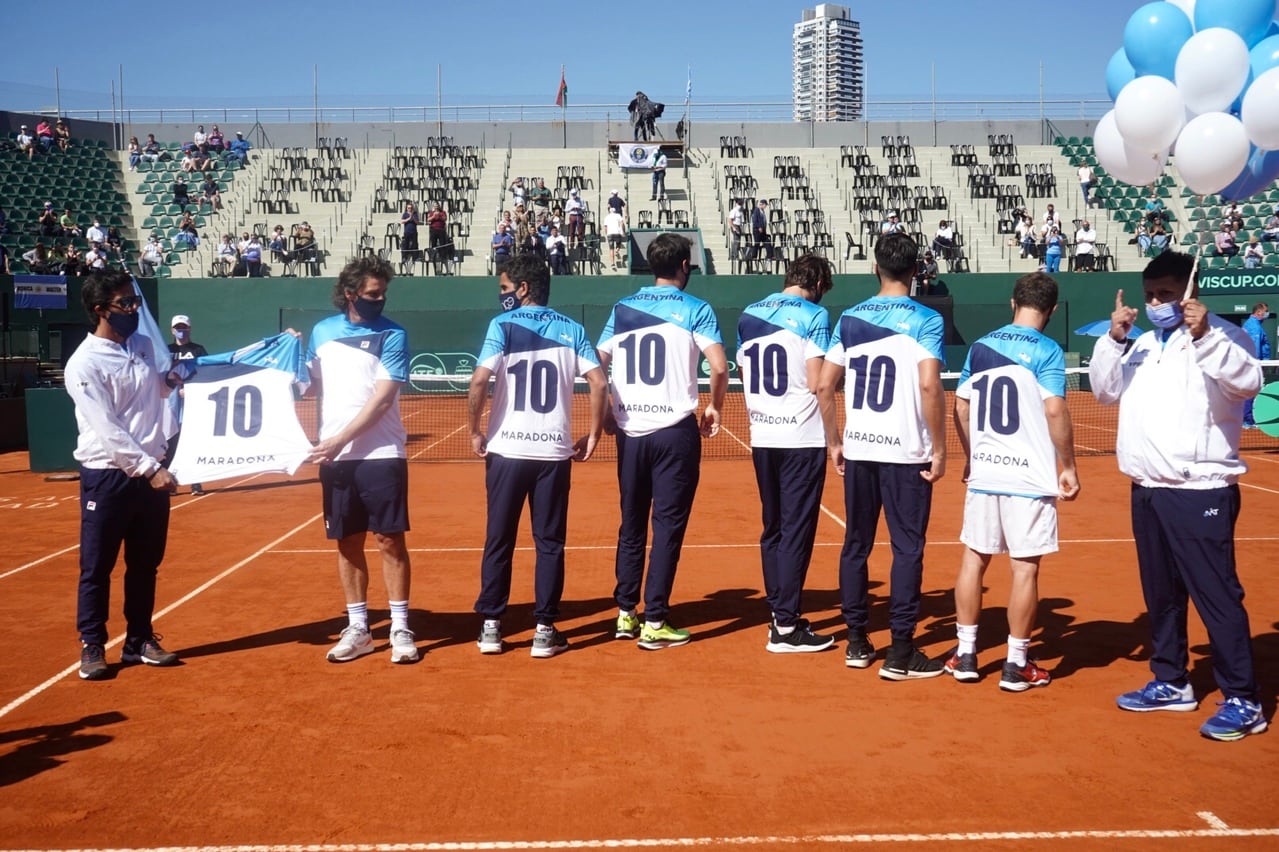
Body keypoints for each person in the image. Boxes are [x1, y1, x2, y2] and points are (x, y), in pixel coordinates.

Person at [1090, 251, 1266, 741]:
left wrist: (1206, 335)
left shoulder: (1225, 336)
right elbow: (1104, 391)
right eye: (1150, 295)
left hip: (1199, 489)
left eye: (1165, 294)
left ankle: (1243, 697)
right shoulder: (1143, 342)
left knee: (1216, 595)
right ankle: (1171, 680)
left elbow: (1249, 382)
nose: (1155, 303)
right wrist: (1113, 338)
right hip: (1147, 489)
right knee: (1161, 596)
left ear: (1189, 292)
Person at [816, 232, 947, 680]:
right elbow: (930, 385)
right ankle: (901, 650)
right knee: (907, 548)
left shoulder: (850, 318)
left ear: (877, 268)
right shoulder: (926, 318)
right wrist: (941, 446)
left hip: (860, 449)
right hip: (906, 451)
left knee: (856, 544)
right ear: (916, 272)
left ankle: (856, 640)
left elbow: (824, 386)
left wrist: (835, 441)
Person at [467, 255, 608, 657]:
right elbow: (598, 384)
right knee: (549, 543)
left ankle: (491, 627)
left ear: (524, 288)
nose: (501, 297)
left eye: (505, 289)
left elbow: (480, 380)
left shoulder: (502, 326)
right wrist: (595, 433)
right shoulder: (574, 329)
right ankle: (545, 630)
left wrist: (476, 430)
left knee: (499, 539)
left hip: (507, 451)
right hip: (552, 453)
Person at [947, 272, 1080, 690]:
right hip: (1028, 477)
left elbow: (962, 406)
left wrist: (972, 457)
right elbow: (1055, 410)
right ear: (1052, 309)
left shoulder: (982, 346)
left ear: (1012, 303)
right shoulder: (1047, 349)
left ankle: (965, 655)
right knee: (1024, 569)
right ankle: (1016, 662)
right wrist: (1069, 465)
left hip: (986, 471)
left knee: (974, 559)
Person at [596, 233, 728, 649]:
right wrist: (715, 406)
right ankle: (655, 619)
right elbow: (720, 367)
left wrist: (605, 415)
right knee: (667, 525)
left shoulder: (622, 307)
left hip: (630, 432)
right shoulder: (696, 308)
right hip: (674, 431)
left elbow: (598, 362)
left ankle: (625, 613)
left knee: (631, 522)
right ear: (684, 266)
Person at [65, 270, 183, 680]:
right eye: (125, 304)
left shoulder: (145, 345)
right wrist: (150, 468)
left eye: (135, 302)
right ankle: (92, 644)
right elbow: (108, 427)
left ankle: (139, 641)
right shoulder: (83, 363)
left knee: (145, 564)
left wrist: (169, 381)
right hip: (109, 475)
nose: (134, 310)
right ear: (100, 311)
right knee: (97, 566)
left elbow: (154, 391)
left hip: (150, 473)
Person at [305, 256, 417, 665]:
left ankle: (401, 624)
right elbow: (311, 384)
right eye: (373, 294)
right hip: (335, 457)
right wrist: (289, 356)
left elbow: (382, 397)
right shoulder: (321, 332)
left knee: (390, 540)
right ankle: (359, 628)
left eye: (383, 292)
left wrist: (338, 440)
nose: (381, 299)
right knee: (347, 541)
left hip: (381, 454)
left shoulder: (394, 334)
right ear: (351, 294)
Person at [738, 255, 837, 653]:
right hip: (801, 435)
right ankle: (786, 627)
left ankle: (779, 612)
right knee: (796, 530)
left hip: (762, 434)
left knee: (774, 527)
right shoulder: (814, 315)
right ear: (814, 282)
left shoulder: (748, 314)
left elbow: (745, 372)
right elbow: (817, 382)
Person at [166, 315, 210, 495]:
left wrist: (189, 389)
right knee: (171, 441)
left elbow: (205, 372)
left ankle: (195, 482)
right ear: (172, 330)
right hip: (170, 403)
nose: (181, 330)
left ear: (190, 329)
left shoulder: (198, 350)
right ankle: (171, 482)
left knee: (192, 441)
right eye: (178, 327)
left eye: (184, 327)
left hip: (192, 403)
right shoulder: (166, 350)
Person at [1242, 302, 1271, 428]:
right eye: (1265, 312)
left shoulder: (1252, 325)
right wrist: (1259, 364)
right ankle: (1247, 420)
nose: (1267, 314)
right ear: (1259, 312)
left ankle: (1247, 419)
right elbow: (1254, 348)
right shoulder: (1254, 327)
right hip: (1253, 364)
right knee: (1250, 391)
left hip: (1252, 364)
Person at [747, 199, 773, 267]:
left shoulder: (762, 211)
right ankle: (754, 256)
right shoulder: (756, 210)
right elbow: (755, 220)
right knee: (757, 243)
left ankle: (770, 255)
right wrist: (759, 227)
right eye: (765, 205)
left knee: (767, 242)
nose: (765, 206)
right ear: (762, 204)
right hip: (757, 230)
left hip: (763, 231)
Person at [399, 202, 420, 268]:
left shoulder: (415, 214)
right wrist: (409, 218)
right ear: (406, 208)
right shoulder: (405, 214)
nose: (409, 209)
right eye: (408, 208)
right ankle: (405, 257)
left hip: (414, 232)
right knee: (406, 245)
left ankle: (415, 258)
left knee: (415, 245)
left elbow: (417, 222)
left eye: (410, 208)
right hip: (407, 232)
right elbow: (402, 221)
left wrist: (413, 218)